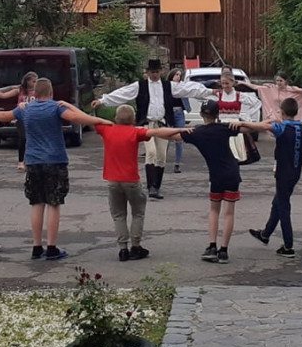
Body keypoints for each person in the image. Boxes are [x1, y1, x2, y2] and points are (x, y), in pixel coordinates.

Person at [0, 78, 112, 260]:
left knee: (37, 203)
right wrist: (101, 121)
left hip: (33, 161)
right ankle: (51, 247)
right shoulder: (55, 108)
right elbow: (76, 118)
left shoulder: (25, 109)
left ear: (34, 93)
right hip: (54, 160)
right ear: (51, 92)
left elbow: (4, 116)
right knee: (54, 203)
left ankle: (37, 247)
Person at [91, 59, 214, 200]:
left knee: (161, 156)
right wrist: (102, 100)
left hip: (162, 124)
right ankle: (151, 187)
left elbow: (188, 89)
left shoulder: (168, 86)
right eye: (152, 72)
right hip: (146, 124)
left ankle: (157, 186)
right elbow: (122, 93)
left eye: (156, 72)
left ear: (160, 72)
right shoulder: (140, 86)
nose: (154, 74)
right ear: (147, 72)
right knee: (151, 152)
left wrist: (210, 91)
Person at [237, 98, 302, 257]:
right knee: (278, 202)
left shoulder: (281, 127)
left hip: (283, 172)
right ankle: (265, 234)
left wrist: (241, 123)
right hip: (295, 172)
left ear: (282, 112)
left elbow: (260, 127)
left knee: (283, 207)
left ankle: (288, 246)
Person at [94, 104, 189, 261]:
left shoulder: (107, 130)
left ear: (116, 118)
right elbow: (157, 132)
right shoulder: (135, 132)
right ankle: (136, 245)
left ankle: (123, 248)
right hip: (131, 180)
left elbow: (89, 119)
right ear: (133, 120)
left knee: (118, 215)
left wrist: (69, 105)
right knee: (138, 212)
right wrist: (181, 130)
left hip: (112, 180)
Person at [179, 100, 244, 264]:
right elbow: (254, 128)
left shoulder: (196, 133)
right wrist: (244, 123)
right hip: (232, 173)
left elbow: (171, 135)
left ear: (201, 114)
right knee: (229, 213)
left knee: (214, 210)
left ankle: (212, 246)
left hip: (215, 175)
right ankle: (224, 250)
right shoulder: (225, 128)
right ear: (217, 114)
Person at [0, 71, 37, 171]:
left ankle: (32, 160)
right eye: (33, 81)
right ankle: (21, 161)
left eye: (36, 81)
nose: (35, 83)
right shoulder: (20, 90)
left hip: (34, 119)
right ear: (27, 81)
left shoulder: (38, 91)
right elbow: (3, 95)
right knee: (23, 138)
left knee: (33, 140)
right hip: (22, 118)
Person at [212, 73, 262, 164]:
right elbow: (201, 95)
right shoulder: (218, 94)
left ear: (233, 83)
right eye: (223, 83)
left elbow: (257, 103)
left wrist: (246, 116)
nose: (225, 86)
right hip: (222, 124)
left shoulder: (239, 95)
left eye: (227, 83)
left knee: (234, 153)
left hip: (235, 124)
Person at [238, 71, 302, 121]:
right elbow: (256, 87)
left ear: (286, 81)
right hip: (274, 118)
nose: (279, 83)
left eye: (281, 81)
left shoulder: (293, 90)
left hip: (287, 118)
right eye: (277, 81)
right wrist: (243, 83)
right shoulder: (271, 88)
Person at [167, 67, 190, 173]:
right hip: (169, 112)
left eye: (179, 75)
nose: (178, 77)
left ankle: (177, 163)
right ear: (172, 75)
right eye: (176, 74)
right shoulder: (166, 86)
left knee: (179, 138)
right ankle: (161, 160)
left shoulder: (182, 86)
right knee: (166, 137)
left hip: (179, 112)